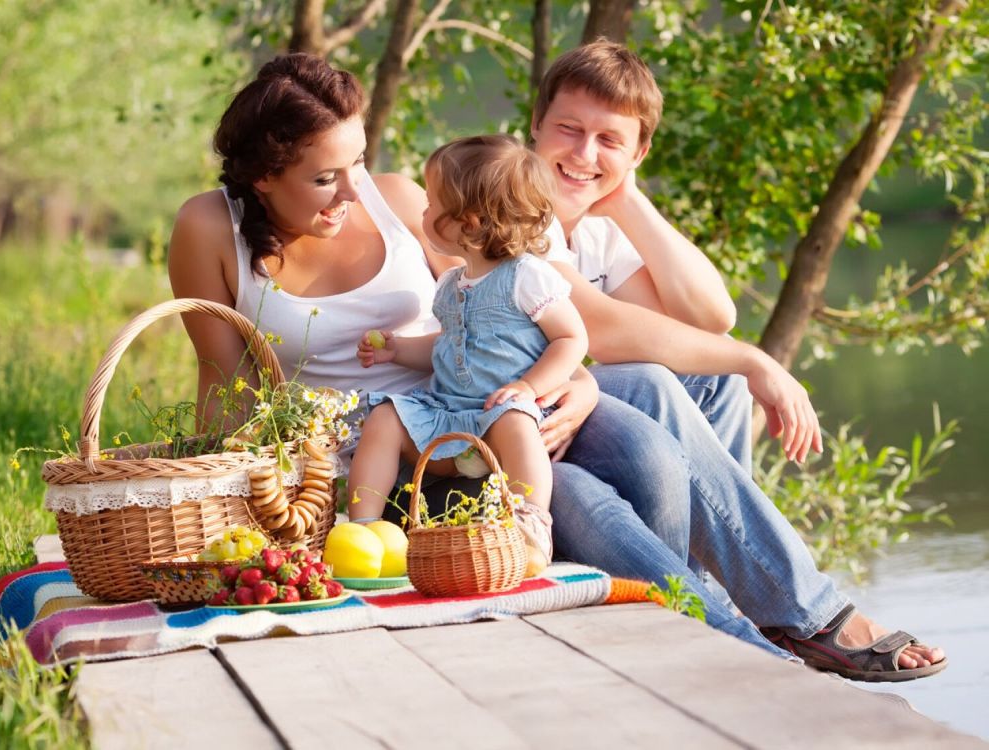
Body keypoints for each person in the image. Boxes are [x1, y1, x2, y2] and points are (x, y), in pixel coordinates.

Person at [167, 52, 941, 675]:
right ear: (264, 173)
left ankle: (810, 616)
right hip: (394, 458)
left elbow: (580, 317)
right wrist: (243, 508)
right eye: (324, 176)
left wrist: (746, 362)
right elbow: (224, 386)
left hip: (481, 405)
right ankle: (746, 645)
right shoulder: (211, 228)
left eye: (357, 162)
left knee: (649, 412)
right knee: (577, 493)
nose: (348, 191)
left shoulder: (401, 200)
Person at [529, 40, 946, 680]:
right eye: (569, 130)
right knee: (650, 381)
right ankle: (806, 611)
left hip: (579, 424)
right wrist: (755, 358)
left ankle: (734, 598)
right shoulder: (513, 205)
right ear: (537, 126)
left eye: (610, 140)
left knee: (712, 376)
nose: (584, 155)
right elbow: (599, 326)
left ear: (639, 152)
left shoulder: (595, 228)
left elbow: (707, 315)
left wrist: (629, 198)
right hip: (524, 422)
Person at [348, 135, 592, 568]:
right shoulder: (451, 284)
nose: (421, 210)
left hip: (501, 416)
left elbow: (572, 339)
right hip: (450, 413)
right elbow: (448, 348)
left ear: (469, 223)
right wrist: (398, 351)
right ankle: (362, 530)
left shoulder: (526, 277)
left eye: (431, 203)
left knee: (515, 420)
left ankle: (528, 523)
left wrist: (527, 386)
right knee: (386, 416)